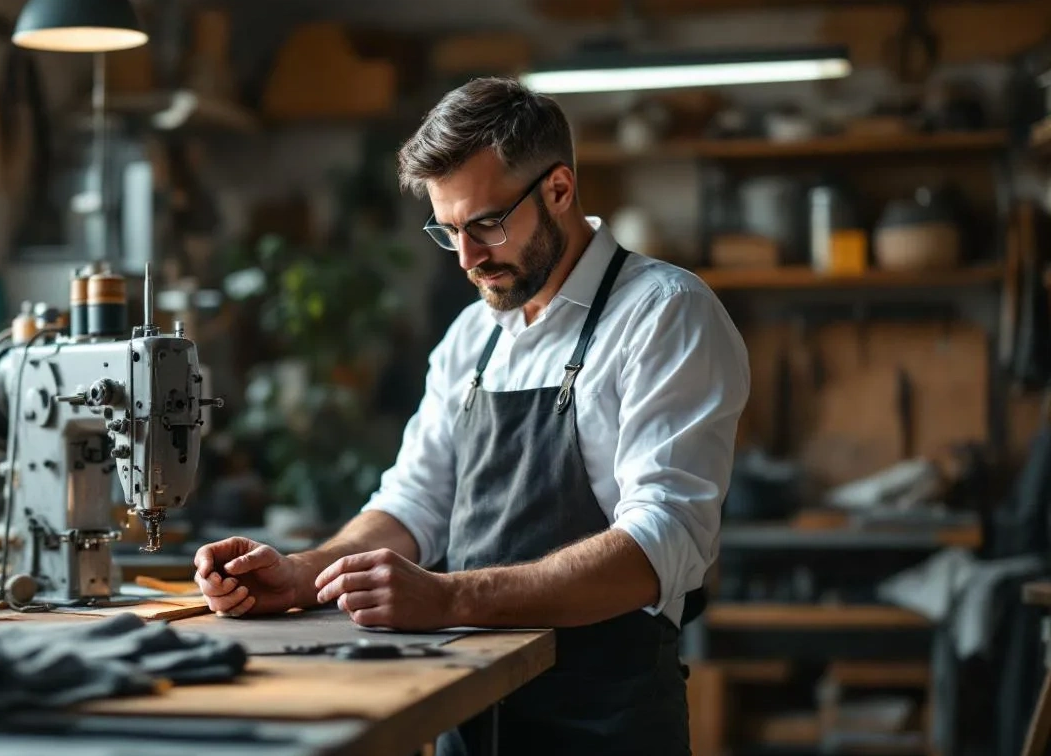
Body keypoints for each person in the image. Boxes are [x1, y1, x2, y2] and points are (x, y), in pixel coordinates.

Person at [193, 76, 750, 754]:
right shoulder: (473, 336)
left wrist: (450, 599)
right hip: (470, 711)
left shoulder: (663, 314)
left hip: (604, 721)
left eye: (486, 224)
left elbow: (660, 544)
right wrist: (305, 575)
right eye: (448, 230)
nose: (466, 257)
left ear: (559, 190)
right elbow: (414, 504)